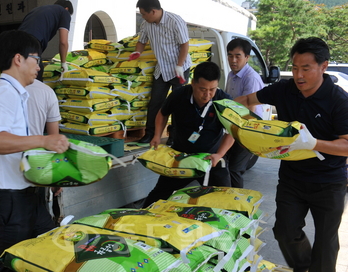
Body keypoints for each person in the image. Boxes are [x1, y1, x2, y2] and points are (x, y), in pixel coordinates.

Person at [235, 37, 348, 272]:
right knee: (284, 231)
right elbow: (247, 100)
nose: (299, 75)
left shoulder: (338, 100)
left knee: (326, 241)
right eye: (295, 68)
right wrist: (227, 113)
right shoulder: (285, 89)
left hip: (329, 181)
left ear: (323, 66)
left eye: (306, 69)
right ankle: (304, 267)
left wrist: (314, 143)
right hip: (292, 177)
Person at [0, 30, 69, 270]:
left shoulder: (16, 92)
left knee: (47, 247)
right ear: (19, 59)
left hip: (26, 194)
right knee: (8, 263)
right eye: (36, 59)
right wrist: (42, 141)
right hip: (8, 200)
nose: (39, 66)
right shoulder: (3, 92)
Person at [143, 61, 234, 207]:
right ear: (193, 83)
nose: (207, 95)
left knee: (225, 199)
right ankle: (142, 217)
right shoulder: (179, 95)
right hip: (182, 157)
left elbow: (232, 130)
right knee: (159, 195)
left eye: (212, 89)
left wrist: (220, 154)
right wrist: (156, 136)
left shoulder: (224, 100)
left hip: (211, 158)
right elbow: (162, 113)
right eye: (203, 89)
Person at [131, 0, 192, 144]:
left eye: (144, 14)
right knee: (155, 103)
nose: (143, 17)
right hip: (161, 69)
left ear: (153, 11)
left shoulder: (175, 21)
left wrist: (179, 65)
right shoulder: (146, 24)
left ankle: (174, 135)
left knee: (179, 104)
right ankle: (150, 134)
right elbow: (142, 41)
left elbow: (185, 45)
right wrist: (137, 52)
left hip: (180, 69)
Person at [225, 38, 264, 188]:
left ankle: (237, 205)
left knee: (235, 168)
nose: (233, 60)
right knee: (224, 165)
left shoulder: (251, 78)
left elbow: (250, 111)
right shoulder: (231, 74)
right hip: (234, 128)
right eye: (230, 56)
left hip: (248, 131)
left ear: (247, 57)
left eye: (237, 56)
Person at [18, 0, 73, 80]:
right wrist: (63, 63)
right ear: (67, 9)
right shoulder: (64, 12)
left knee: (19, 72)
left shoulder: (37, 10)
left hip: (16, 41)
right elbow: (63, 42)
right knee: (36, 72)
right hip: (31, 42)